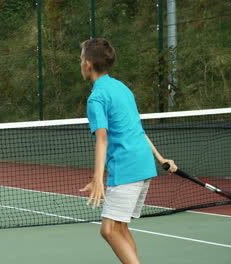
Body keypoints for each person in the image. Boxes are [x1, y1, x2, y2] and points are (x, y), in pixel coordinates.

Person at [79, 38, 177, 264]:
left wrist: (97, 179)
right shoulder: (121, 88)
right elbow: (137, 129)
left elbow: (102, 139)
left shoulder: (96, 98)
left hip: (126, 167)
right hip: (143, 164)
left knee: (109, 230)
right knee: (120, 228)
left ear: (88, 64)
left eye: (81, 58)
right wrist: (160, 158)